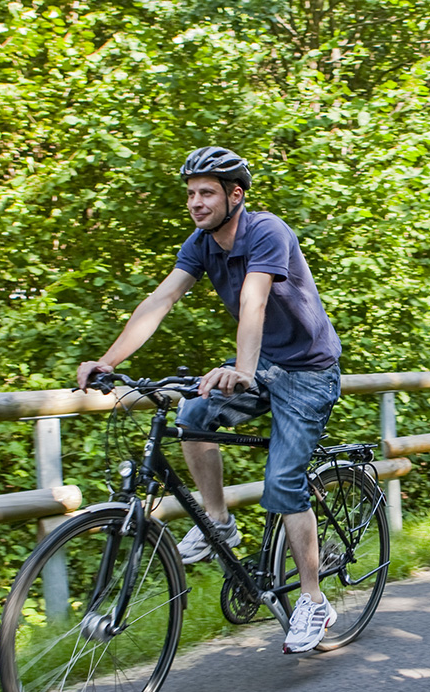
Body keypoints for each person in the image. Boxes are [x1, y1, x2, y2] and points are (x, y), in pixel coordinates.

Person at [76, 146, 343, 654]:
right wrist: (107, 361)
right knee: (192, 412)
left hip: (308, 370)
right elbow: (161, 299)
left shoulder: (267, 231)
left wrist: (242, 370)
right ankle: (219, 520)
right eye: (191, 194)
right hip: (263, 364)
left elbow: (254, 300)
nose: (196, 203)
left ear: (234, 195)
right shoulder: (200, 243)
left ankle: (313, 600)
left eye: (207, 193)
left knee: (283, 481)